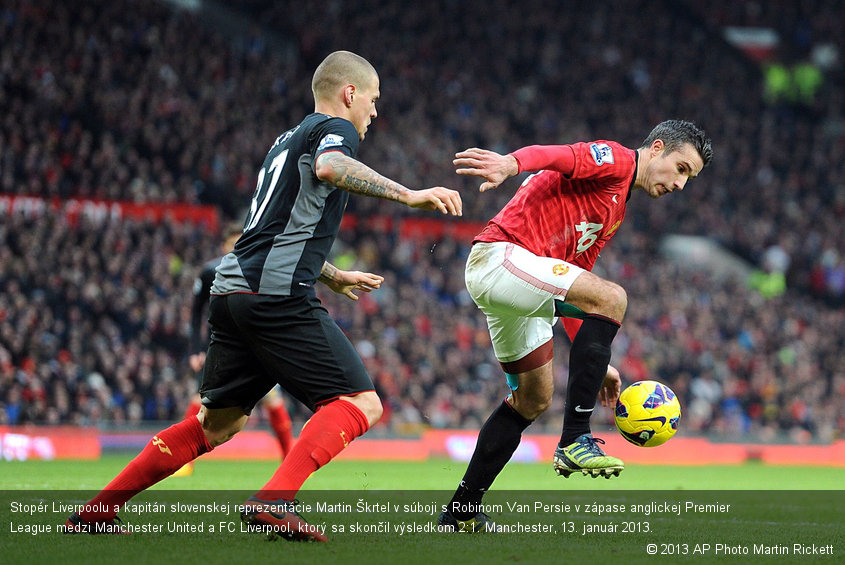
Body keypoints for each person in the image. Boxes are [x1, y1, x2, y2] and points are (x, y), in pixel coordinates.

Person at [64, 50, 463, 541]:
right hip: (274, 293)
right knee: (361, 402)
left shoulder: (283, 141)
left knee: (216, 425)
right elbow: (333, 168)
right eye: (374, 100)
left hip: (233, 287)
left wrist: (330, 273)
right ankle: (273, 504)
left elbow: (272, 228)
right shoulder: (335, 133)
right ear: (350, 93)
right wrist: (410, 194)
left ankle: (97, 511)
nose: (375, 112)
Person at [439, 120, 712, 532]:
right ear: (657, 148)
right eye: (682, 168)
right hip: (502, 257)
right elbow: (558, 155)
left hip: (522, 283)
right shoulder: (617, 161)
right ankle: (574, 439)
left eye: (688, 177)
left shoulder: (615, 210)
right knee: (613, 296)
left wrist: (596, 362)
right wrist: (510, 165)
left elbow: (574, 295)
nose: (680, 184)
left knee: (532, 399)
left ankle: (459, 513)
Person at [173, 221, 294, 478]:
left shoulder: (260, 268)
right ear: (223, 245)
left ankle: (289, 459)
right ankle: (185, 462)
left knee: (273, 401)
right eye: (232, 243)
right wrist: (196, 349)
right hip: (222, 348)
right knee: (200, 402)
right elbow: (195, 314)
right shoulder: (210, 272)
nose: (237, 247)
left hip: (257, 349)